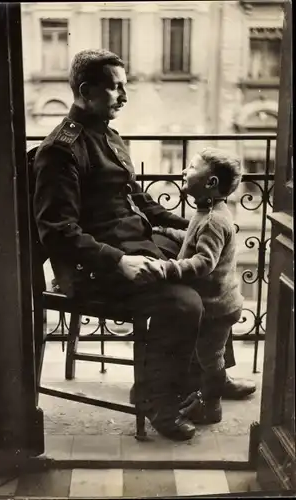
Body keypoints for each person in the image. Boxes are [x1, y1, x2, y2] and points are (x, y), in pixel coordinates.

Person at [33, 48, 254, 441]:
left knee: (213, 267)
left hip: (137, 246)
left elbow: (140, 202)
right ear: (86, 91)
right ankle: (159, 402)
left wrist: (196, 226)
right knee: (184, 301)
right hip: (96, 269)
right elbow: (56, 230)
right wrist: (119, 262)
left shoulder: (109, 135)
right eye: (116, 87)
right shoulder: (61, 150)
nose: (124, 95)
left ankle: (210, 377)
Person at [155, 148, 245, 424]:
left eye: (192, 167)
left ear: (211, 182)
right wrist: (167, 231)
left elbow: (204, 261)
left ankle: (212, 405)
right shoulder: (210, 211)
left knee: (209, 357)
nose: (184, 170)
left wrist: (168, 268)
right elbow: (192, 238)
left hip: (215, 306)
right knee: (208, 354)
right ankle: (217, 385)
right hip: (221, 301)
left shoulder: (212, 220)